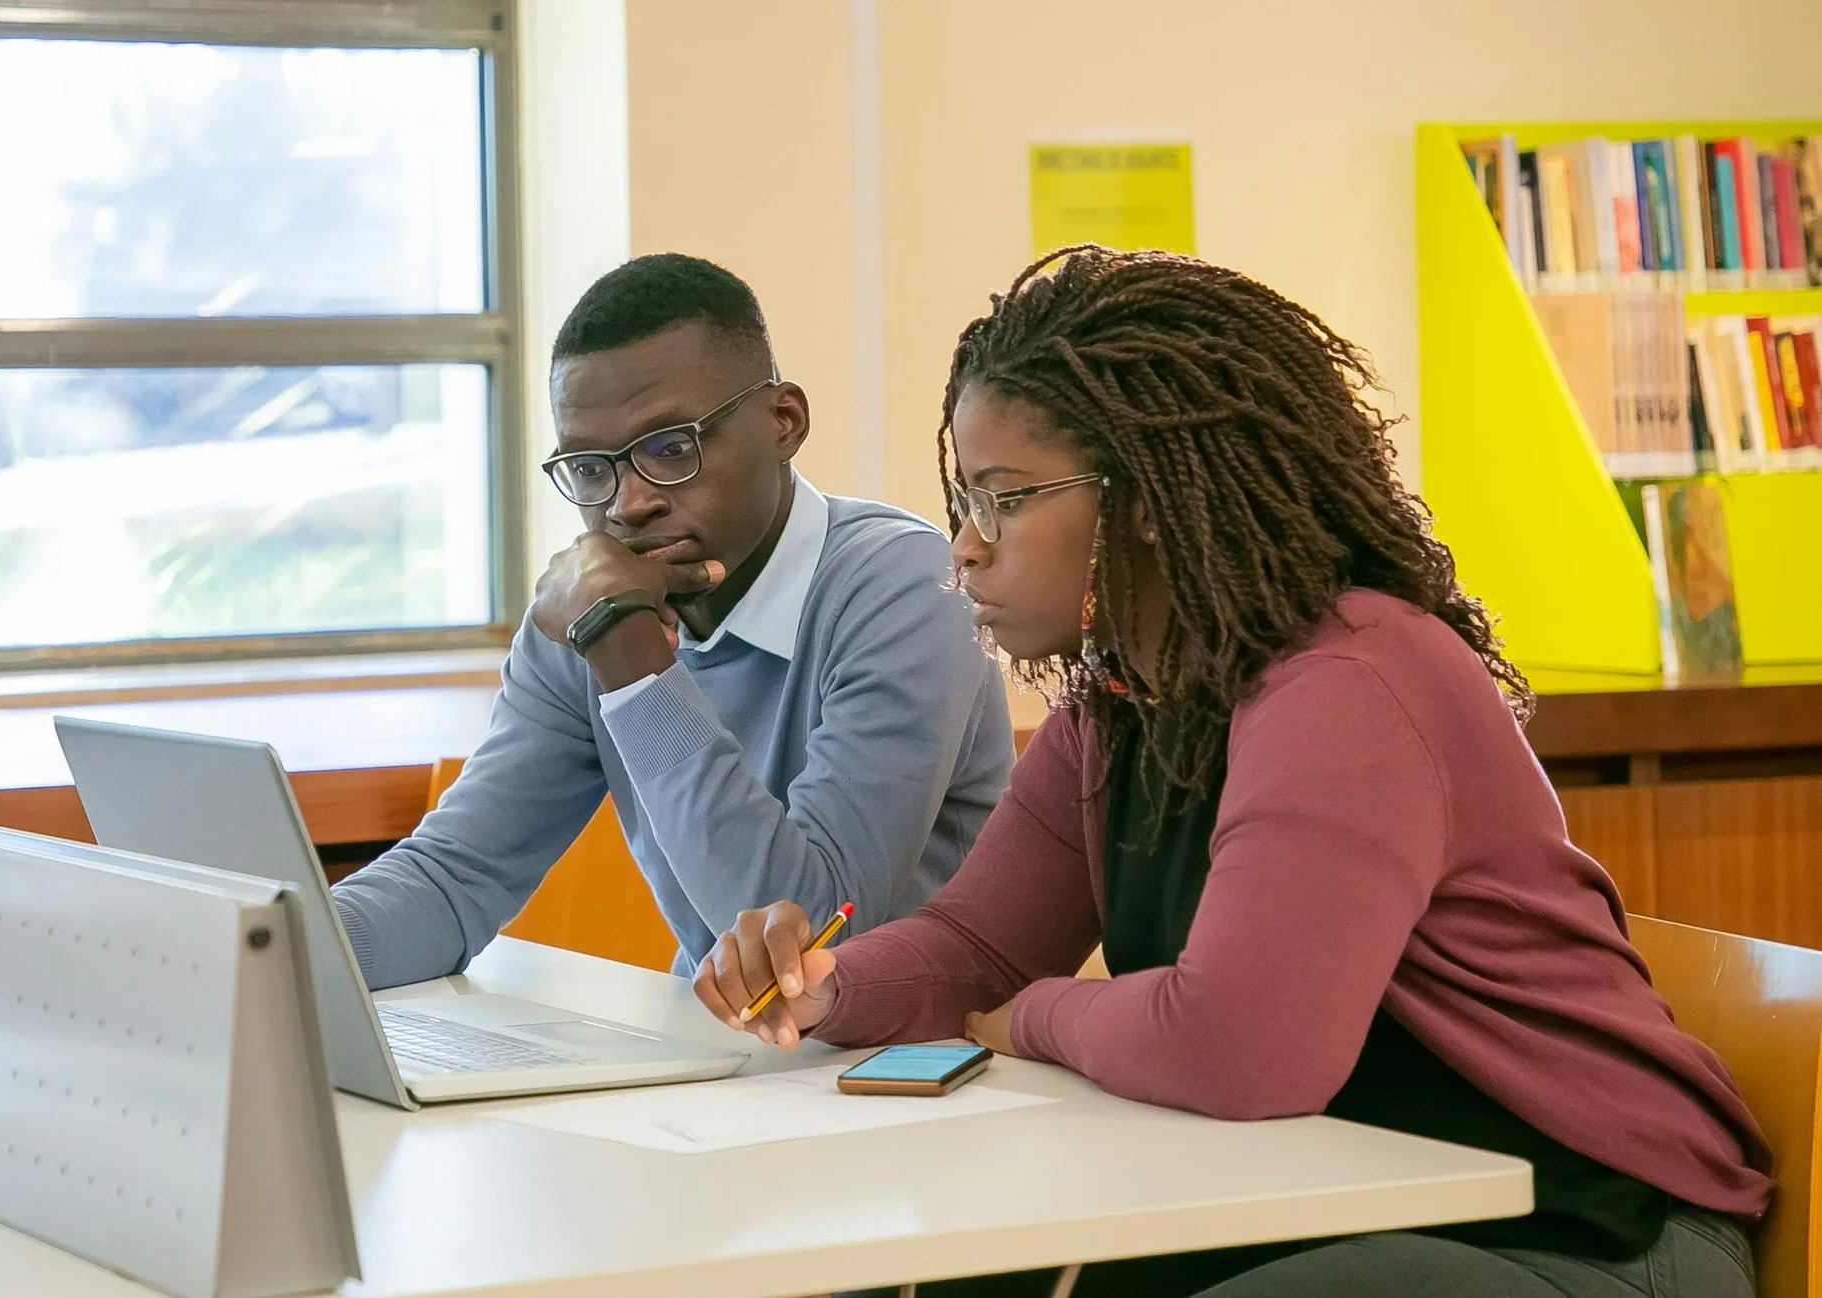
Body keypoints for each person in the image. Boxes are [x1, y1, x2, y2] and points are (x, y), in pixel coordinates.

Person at [694, 247, 1770, 1298]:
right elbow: (976, 945)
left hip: (1589, 1234)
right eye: (964, 502)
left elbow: (1242, 1050)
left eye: (1006, 500)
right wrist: (829, 986)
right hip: (1340, 1190)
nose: (965, 549)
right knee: (988, 1268)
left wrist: (1033, 1017)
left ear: (1150, 497)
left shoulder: (1349, 681)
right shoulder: (1125, 698)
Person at [334, 253, 1012, 989]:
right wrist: (272, 954)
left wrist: (637, 672)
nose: (628, 504)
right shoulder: (592, 610)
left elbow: (805, 941)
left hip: (912, 1070)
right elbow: (453, 879)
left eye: (668, 449)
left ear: (784, 422)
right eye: (590, 468)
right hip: (723, 1066)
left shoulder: (904, 585)